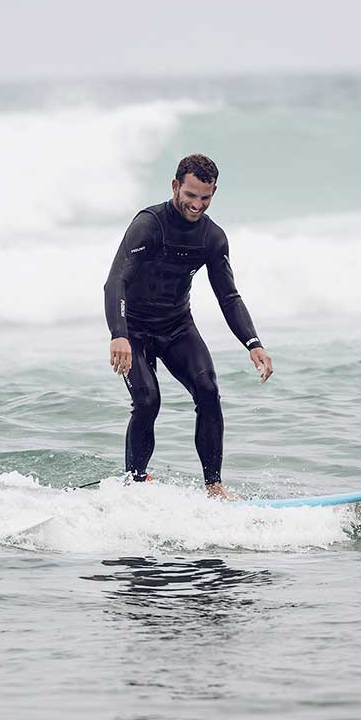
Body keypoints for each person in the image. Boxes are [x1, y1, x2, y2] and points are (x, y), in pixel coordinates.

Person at [103, 154, 273, 499]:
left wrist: (253, 342)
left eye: (206, 198)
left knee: (208, 392)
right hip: (133, 329)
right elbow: (115, 283)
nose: (197, 205)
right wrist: (118, 334)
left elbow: (228, 296)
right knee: (148, 401)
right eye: (191, 195)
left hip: (177, 326)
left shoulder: (212, 238)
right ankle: (134, 484)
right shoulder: (148, 225)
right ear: (175, 186)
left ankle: (214, 486)